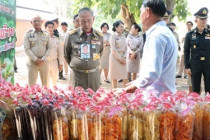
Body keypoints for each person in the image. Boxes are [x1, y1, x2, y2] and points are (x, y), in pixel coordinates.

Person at [125, 0, 178, 94]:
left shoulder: (157, 35)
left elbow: (153, 73)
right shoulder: (165, 32)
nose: (140, 16)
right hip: (163, 96)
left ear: (148, 12)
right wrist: (138, 81)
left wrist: (135, 86)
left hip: (156, 98)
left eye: (141, 12)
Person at [64, 7, 103, 91]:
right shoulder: (71, 36)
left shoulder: (99, 36)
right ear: (79, 20)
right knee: (77, 101)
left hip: (94, 76)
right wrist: (77, 64)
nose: (86, 24)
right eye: (83, 21)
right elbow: (66, 54)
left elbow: (100, 52)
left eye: (89, 20)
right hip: (77, 76)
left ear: (93, 19)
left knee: (94, 101)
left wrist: (92, 63)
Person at [184, 7, 210, 94]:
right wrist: (187, 67)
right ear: (196, 20)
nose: (204, 21)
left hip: (208, 63)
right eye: (201, 19)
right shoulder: (190, 35)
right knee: (195, 89)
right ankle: (196, 106)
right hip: (195, 64)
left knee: (209, 88)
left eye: (205, 18)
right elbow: (186, 51)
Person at [24, 15, 52, 87]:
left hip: (44, 62)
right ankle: (32, 97)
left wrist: (43, 59)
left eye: (38, 21)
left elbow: (49, 48)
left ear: (42, 22)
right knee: (32, 84)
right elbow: (27, 49)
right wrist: (35, 59)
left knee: (45, 83)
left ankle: (46, 97)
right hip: (32, 62)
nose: (37, 22)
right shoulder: (28, 34)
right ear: (31, 22)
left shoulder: (46, 34)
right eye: (34, 21)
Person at [109, 20, 128, 88]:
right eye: (120, 27)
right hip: (115, 57)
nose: (122, 28)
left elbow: (126, 48)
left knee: (125, 76)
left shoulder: (123, 36)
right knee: (114, 76)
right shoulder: (113, 37)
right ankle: (114, 92)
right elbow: (113, 50)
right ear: (116, 27)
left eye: (123, 27)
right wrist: (120, 59)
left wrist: (124, 57)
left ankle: (126, 93)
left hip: (123, 57)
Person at [45, 21, 63, 87]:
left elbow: (60, 52)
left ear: (53, 28)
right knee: (45, 80)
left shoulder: (57, 40)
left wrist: (60, 63)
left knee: (54, 79)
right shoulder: (42, 39)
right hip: (45, 62)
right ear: (45, 28)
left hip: (54, 61)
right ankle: (46, 94)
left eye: (52, 27)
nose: (50, 29)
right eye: (49, 27)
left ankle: (54, 93)